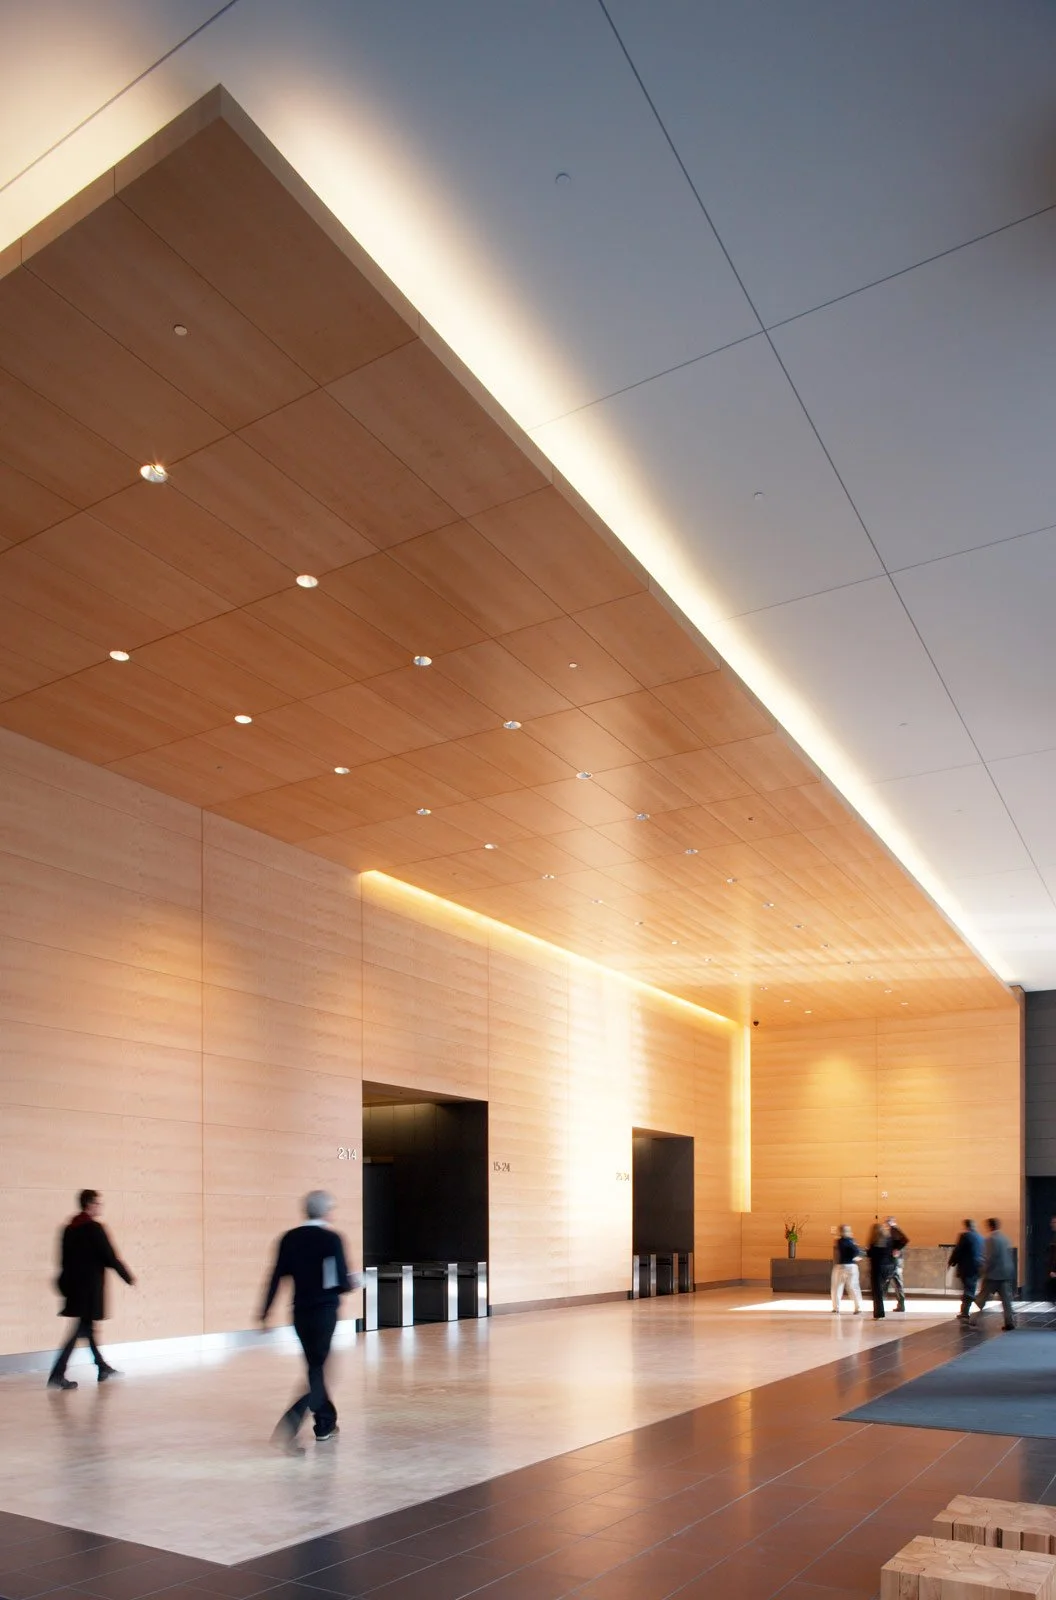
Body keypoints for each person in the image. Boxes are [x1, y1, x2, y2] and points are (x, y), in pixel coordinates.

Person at [260, 1190, 355, 1455]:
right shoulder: (331, 1239)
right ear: (326, 1212)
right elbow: (342, 1281)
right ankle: (289, 1427)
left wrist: (265, 1312)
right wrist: (352, 1282)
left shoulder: (289, 1239)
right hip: (324, 1313)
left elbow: (276, 1277)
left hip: (300, 1313)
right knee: (319, 1371)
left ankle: (326, 1424)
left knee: (316, 1369)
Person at [48, 1189, 135, 1390]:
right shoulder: (94, 1228)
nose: (100, 1206)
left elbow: (62, 1260)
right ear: (90, 1205)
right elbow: (110, 1258)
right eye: (97, 1203)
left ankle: (102, 1367)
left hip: (74, 1289)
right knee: (80, 1329)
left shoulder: (69, 1228)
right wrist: (128, 1277)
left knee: (87, 1328)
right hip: (89, 1289)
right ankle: (57, 1373)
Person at [971, 1217, 1017, 1331]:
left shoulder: (990, 1239)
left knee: (982, 1298)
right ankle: (1009, 1322)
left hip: (993, 1275)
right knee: (1006, 1301)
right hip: (1005, 1274)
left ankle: (973, 1319)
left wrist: (983, 1271)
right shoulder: (1005, 1238)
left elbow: (990, 1258)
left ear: (990, 1226)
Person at [949, 1219, 984, 1322]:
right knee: (970, 1288)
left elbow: (958, 1250)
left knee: (968, 1290)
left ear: (966, 1226)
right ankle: (965, 1310)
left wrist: (952, 1262)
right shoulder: (980, 1237)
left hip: (967, 1268)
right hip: (977, 1267)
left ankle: (966, 1310)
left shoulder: (964, 1236)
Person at [831, 1225, 864, 1314]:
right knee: (853, 1287)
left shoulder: (838, 1241)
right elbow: (856, 1252)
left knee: (837, 1287)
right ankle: (858, 1307)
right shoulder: (852, 1241)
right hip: (852, 1266)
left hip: (840, 1266)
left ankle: (836, 1308)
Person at [867, 1221, 894, 1320]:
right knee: (881, 1290)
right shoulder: (888, 1240)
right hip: (887, 1267)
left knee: (876, 1292)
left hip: (877, 1268)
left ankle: (879, 1313)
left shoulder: (874, 1242)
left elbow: (870, 1254)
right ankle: (881, 1308)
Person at [885, 1216, 909, 1312]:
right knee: (896, 1282)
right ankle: (900, 1304)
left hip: (895, 1261)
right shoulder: (893, 1230)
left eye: (887, 1222)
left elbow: (905, 1240)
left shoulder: (894, 1229)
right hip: (896, 1261)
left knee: (896, 1282)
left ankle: (901, 1304)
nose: (886, 1224)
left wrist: (897, 1249)